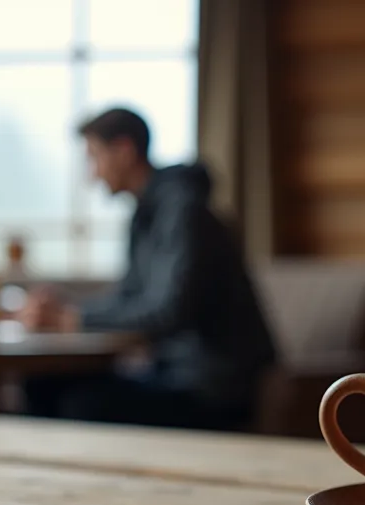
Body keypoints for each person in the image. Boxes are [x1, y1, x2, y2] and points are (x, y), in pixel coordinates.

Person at [18, 107, 277, 431]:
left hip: (211, 386)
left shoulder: (183, 212)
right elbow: (128, 297)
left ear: (124, 151)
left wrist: (73, 320)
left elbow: (167, 311)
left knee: (81, 403)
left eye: (95, 157)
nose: (93, 174)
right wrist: (67, 310)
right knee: (41, 384)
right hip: (170, 372)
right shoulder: (145, 215)